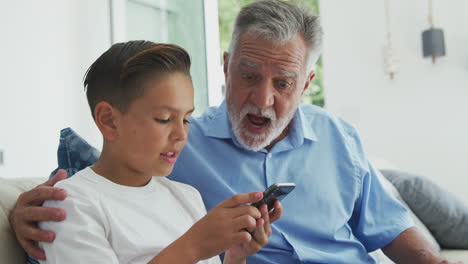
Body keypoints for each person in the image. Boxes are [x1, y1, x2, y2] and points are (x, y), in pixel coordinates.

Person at [9, 1, 462, 263]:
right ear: (226, 67)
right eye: (248, 75)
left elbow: (399, 234)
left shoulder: (340, 139)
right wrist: (22, 209)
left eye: (283, 83)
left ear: (306, 84)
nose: (262, 99)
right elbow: (103, 180)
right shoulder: (175, 149)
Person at [31, 41, 282, 264]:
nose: (181, 134)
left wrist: (235, 257)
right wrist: (192, 246)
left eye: (185, 119)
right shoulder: (71, 205)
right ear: (108, 120)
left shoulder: (185, 197)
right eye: (164, 119)